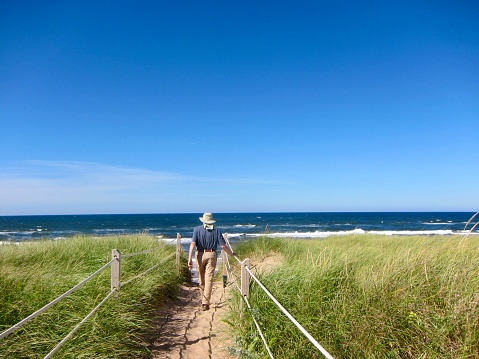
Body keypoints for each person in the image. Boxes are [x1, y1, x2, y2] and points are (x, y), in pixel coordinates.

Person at [188, 212, 236, 311]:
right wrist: (231, 254)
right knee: (208, 278)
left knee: (201, 278)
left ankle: (204, 300)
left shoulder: (197, 229)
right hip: (211, 254)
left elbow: (193, 244)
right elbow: (223, 246)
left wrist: (189, 258)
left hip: (199, 254)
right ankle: (205, 302)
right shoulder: (217, 231)